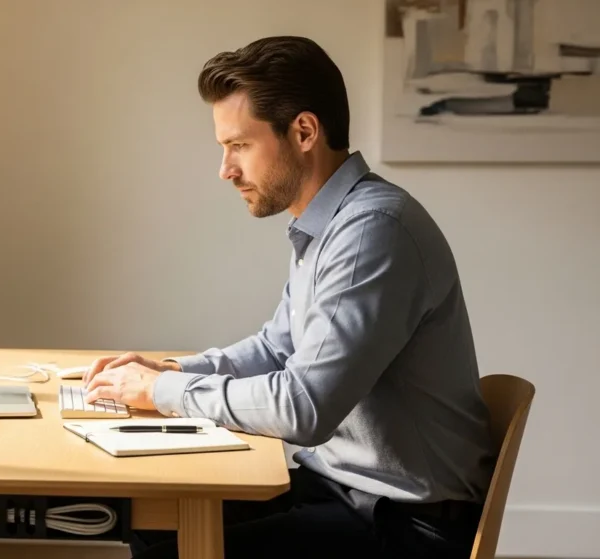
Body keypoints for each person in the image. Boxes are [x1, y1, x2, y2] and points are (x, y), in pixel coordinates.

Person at [82, 36, 497, 558]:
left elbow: (303, 407)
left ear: (303, 131)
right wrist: (169, 371)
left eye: (239, 145)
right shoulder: (328, 225)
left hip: (402, 525)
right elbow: (277, 349)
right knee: (156, 517)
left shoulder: (372, 230)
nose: (226, 170)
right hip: (340, 492)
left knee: (172, 545)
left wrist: (162, 390)